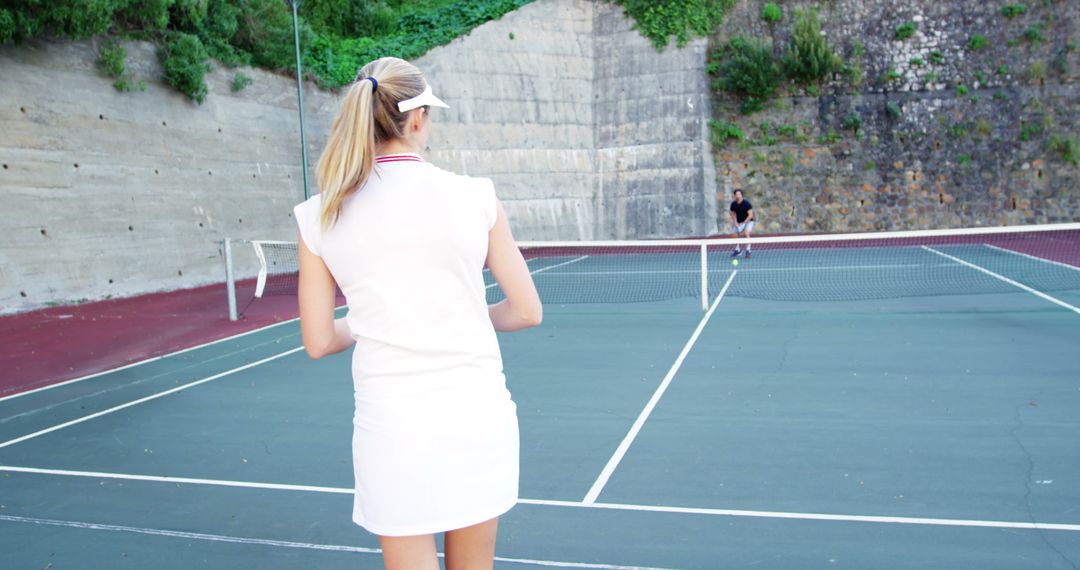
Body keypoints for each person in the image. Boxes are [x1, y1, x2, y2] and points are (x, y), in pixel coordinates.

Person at [294, 57, 542, 570]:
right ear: (418, 119)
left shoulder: (319, 214)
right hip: (477, 418)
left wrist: (375, 320)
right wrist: (465, 314)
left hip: (392, 429)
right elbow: (526, 311)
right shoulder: (476, 197)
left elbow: (318, 340)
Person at [729, 189, 754, 258]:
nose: (738, 196)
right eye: (736, 195)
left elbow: (750, 215)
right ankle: (737, 250)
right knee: (734, 234)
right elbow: (732, 214)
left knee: (746, 233)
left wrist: (743, 223)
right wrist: (736, 222)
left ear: (742, 195)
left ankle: (748, 250)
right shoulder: (733, 204)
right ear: (734, 196)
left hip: (749, 221)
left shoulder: (747, 204)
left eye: (739, 194)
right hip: (739, 222)